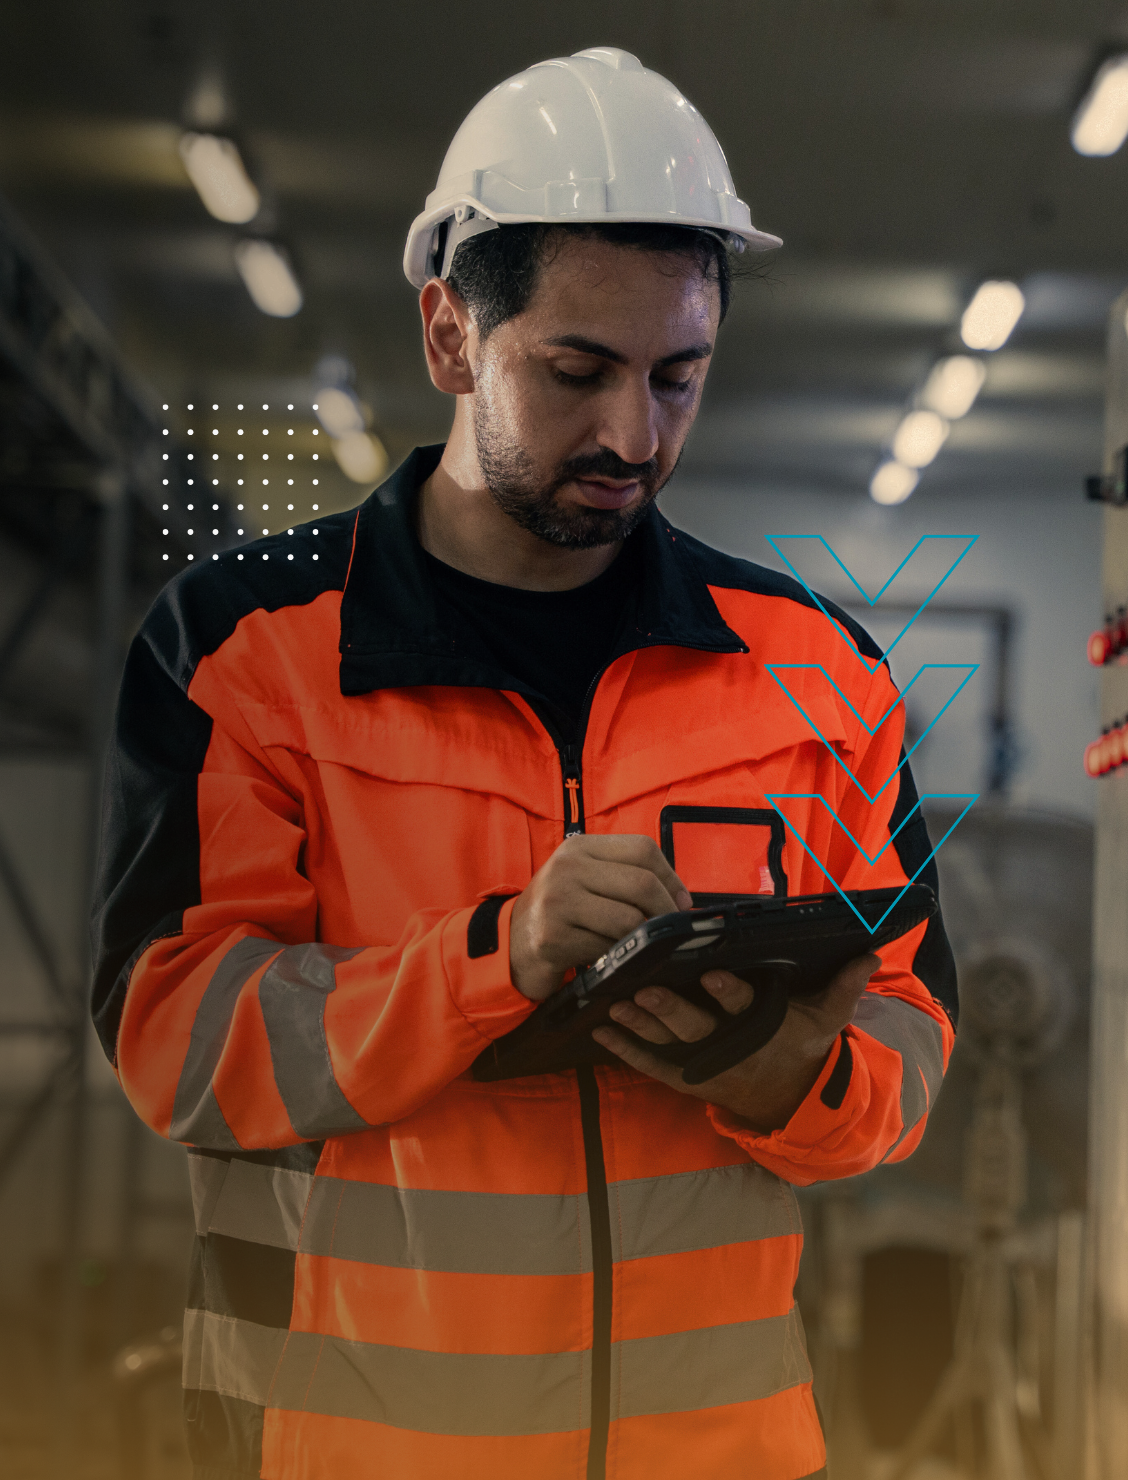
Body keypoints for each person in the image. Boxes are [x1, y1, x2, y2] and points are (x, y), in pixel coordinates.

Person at [91, 47, 956, 1480]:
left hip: (722, 1452)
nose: (634, 434)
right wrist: (492, 961)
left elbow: (910, 1031)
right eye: (577, 372)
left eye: (680, 377)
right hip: (352, 1449)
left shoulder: (815, 673)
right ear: (449, 337)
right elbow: (176, 1044)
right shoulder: (249, 651)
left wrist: (789, 1079)